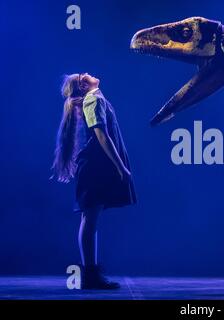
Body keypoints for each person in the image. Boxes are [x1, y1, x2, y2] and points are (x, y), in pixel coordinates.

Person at [52, 73, 137, 289]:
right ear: (83, 84)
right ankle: (90, 274)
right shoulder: (94, 99)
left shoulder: (95, 99)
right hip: (94, 168)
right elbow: (101, 134)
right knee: (89, 220)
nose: (90, 74)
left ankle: (91, 272)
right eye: (84, 75)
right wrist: (121, 167)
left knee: (90, 220)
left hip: (93, 167)